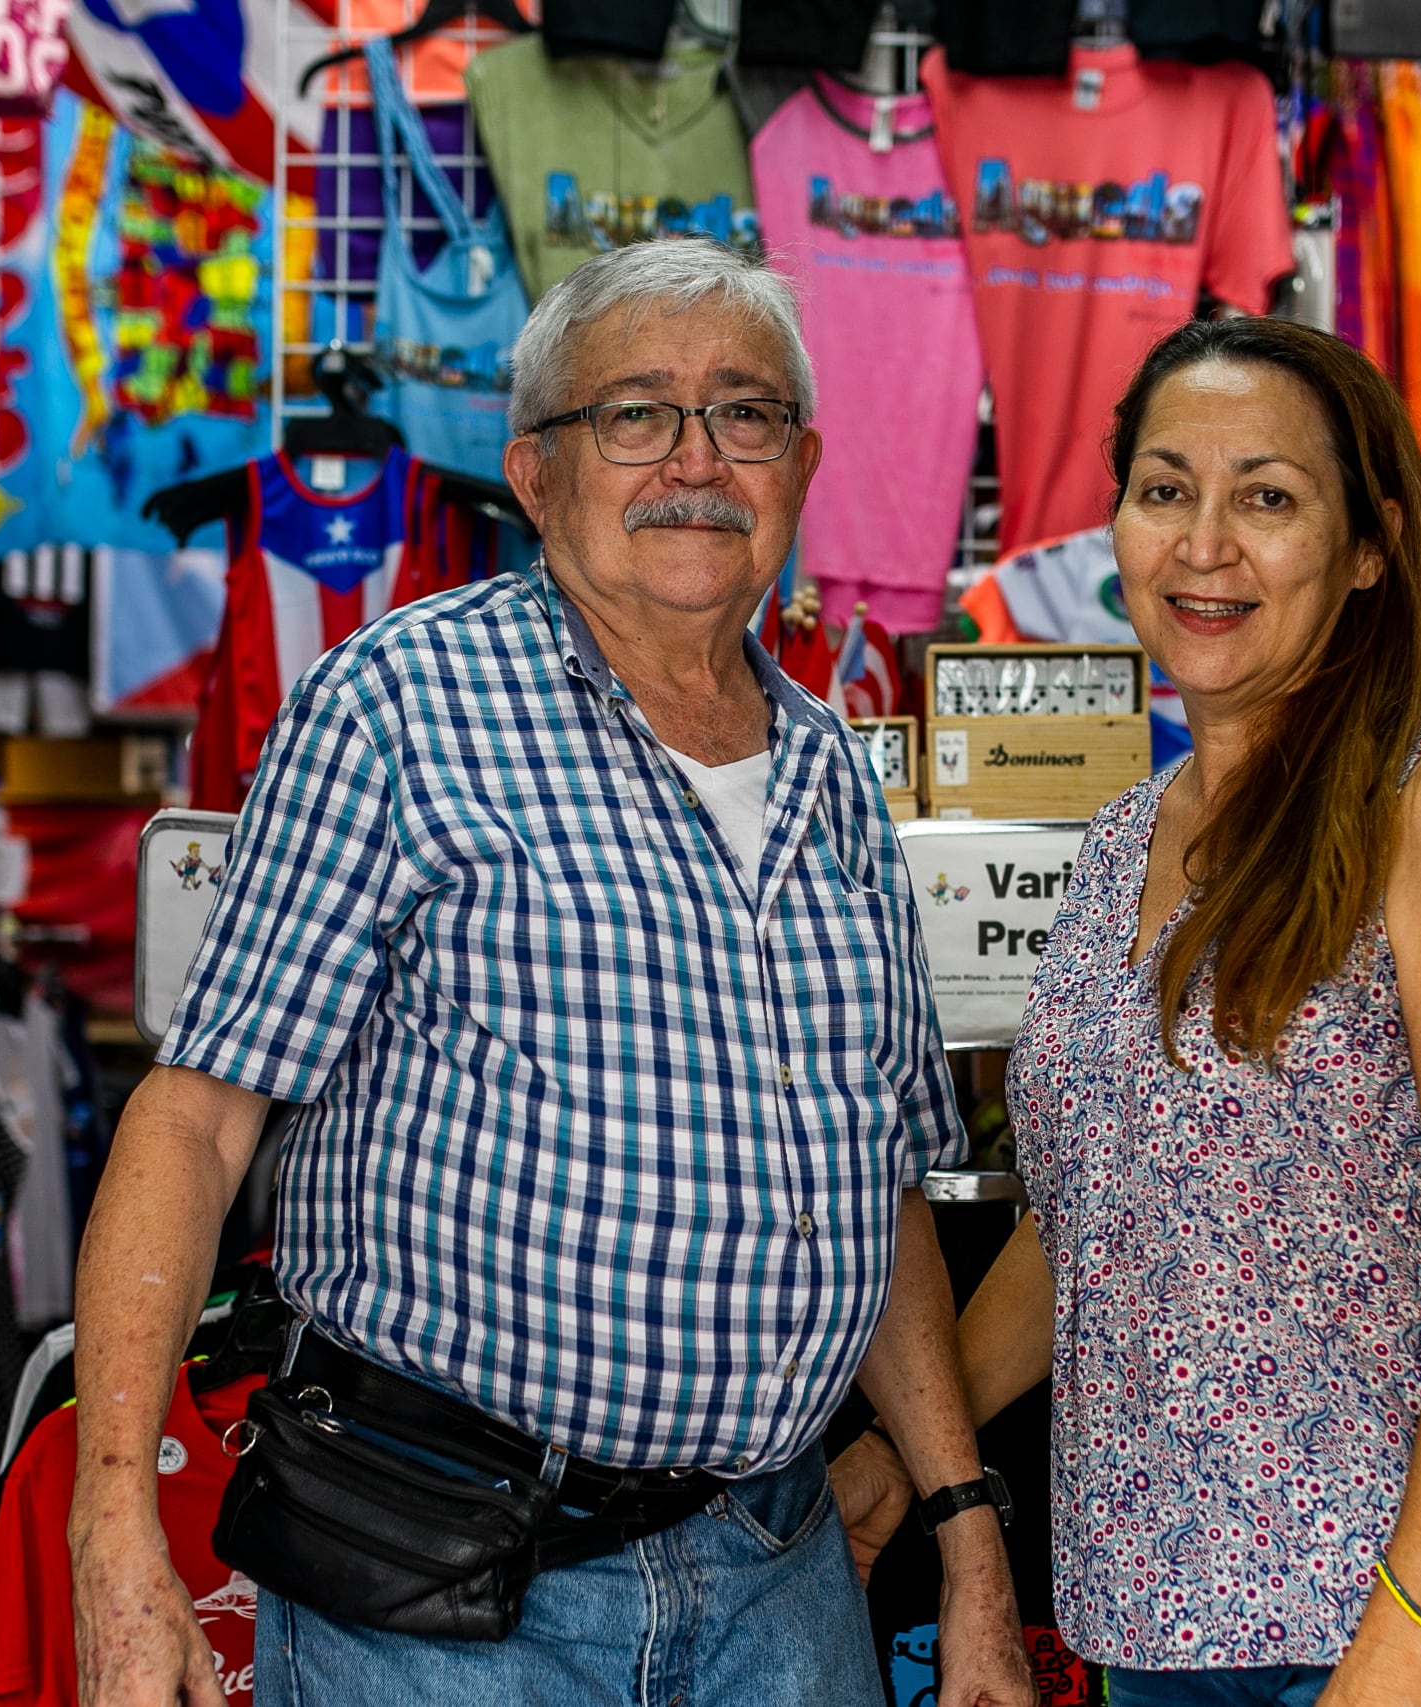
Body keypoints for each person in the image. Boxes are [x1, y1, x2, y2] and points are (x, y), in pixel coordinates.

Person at [70, 239, 1032, 1707]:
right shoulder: (399, 706)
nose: (695, 460)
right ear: (533, 474)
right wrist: (111, 1526)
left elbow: (879, 1189)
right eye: (635, 413)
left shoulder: (835, 774)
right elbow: (195, 1124)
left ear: (804, 460)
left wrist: (968, 1544)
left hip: (777, 1578)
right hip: (445, 1591)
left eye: (746, 413)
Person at [831, 317, 1421, 1705]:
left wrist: (1401, 1645)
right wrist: (916, 1451)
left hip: (1412, 1634)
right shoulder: (1122, 842)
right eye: (1164, 489)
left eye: (1267, 496)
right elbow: (1076, 1232)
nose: (1205, 544)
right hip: (1158, 1627)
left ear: (1369, 546)